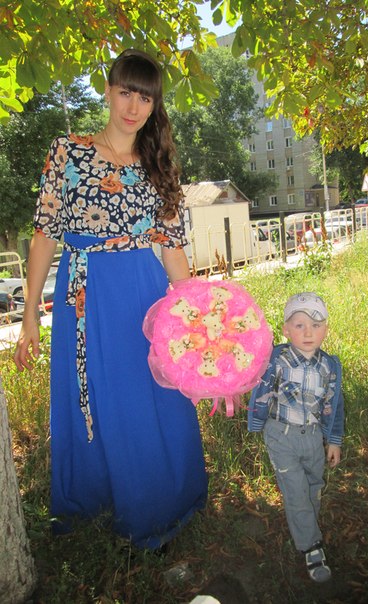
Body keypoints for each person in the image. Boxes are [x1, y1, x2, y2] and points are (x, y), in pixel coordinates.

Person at [14, 49, 208, 550]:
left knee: (151, 393)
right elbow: (44, 236)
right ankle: (97, 497)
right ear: (108, 91)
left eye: (145, 98)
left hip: (144, 294)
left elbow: (173, 249)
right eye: (126, 92)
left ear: (154, 105)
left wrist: (194, 316)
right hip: (84, 296)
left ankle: (158, 497)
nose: (133, 107)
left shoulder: (158, 165)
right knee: (97, 394)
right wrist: (30, 314)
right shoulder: (68, 153)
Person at [248, 292, 344, 582]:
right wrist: (256, 420)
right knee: (296, 491)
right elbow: (257, 383)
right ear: (286, 330)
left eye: (316, 325)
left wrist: (334, 440)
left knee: (314, 485)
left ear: (326, 329)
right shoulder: (276, 360)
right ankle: (311, 546)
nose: (308, 333)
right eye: (299, 325)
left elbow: (334, 405)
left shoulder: (329, 367)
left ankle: (305, 521)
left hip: (312, 437)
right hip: (281, 435)